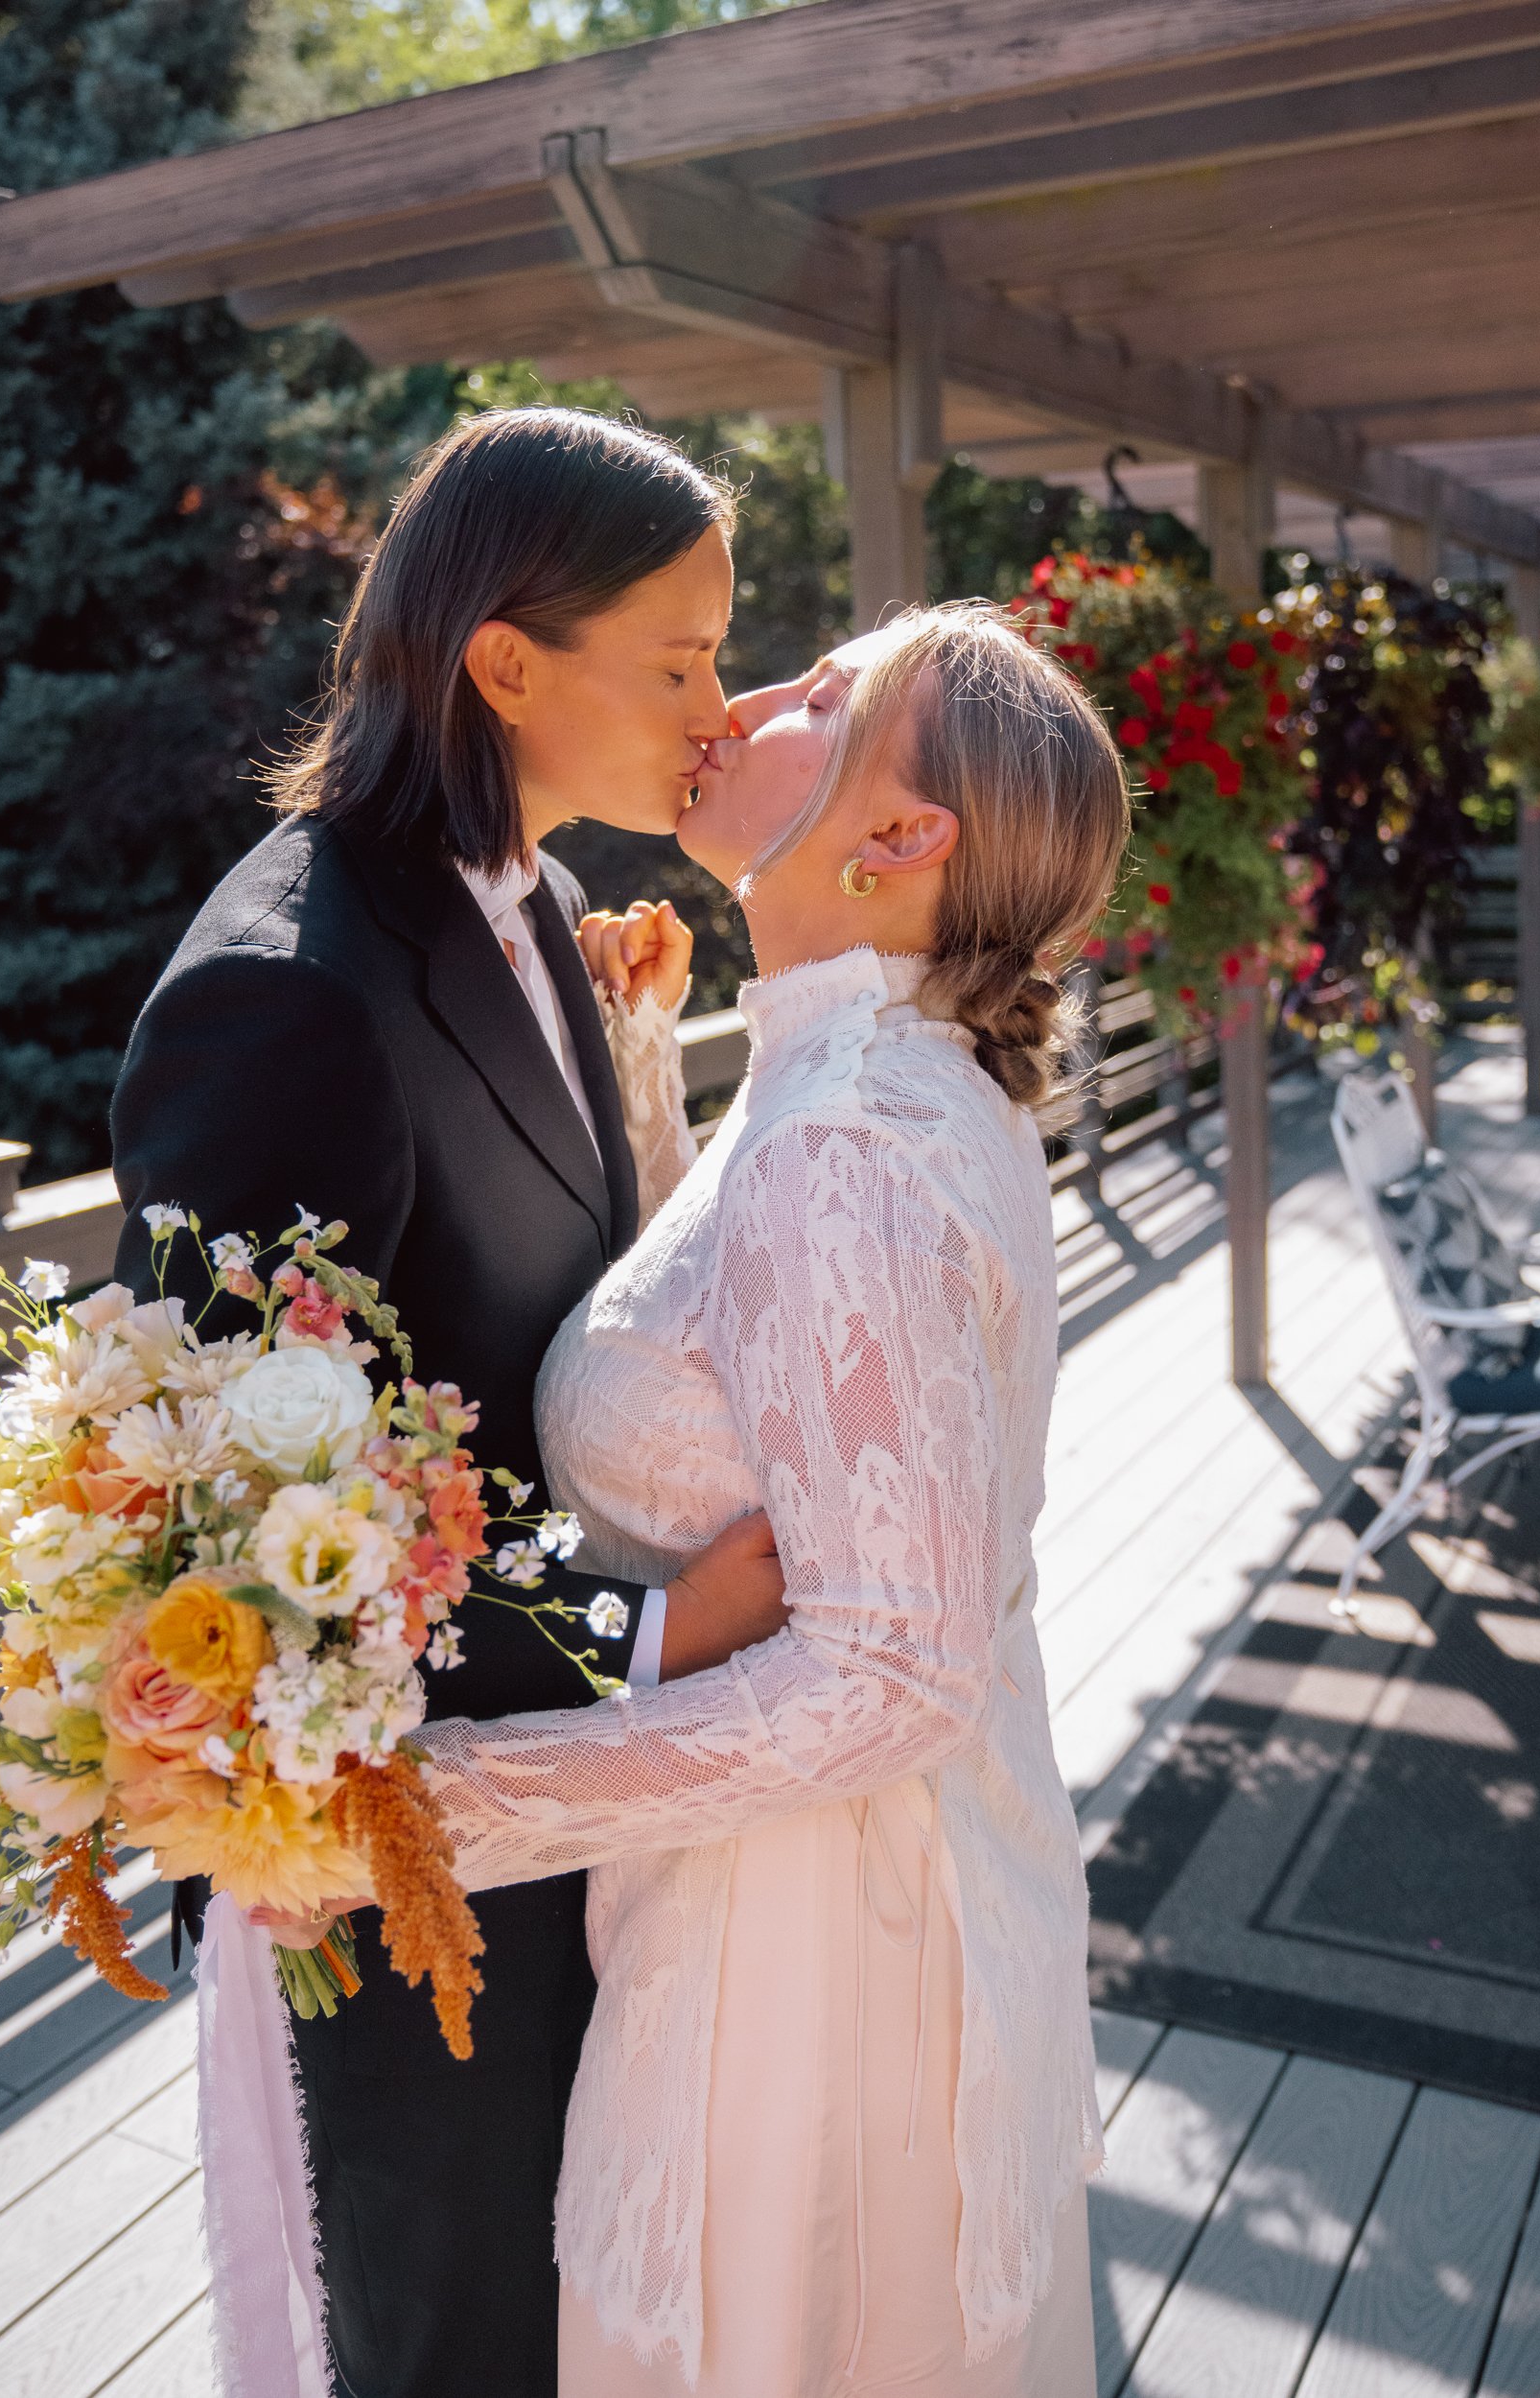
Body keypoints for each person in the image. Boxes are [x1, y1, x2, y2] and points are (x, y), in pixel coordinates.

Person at [107, 408, 790, 2398]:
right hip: (406, 1858)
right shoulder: (287, 996)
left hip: (577, 1817)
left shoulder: (527, 913)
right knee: (456, 2340)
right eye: (678, 658)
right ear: (505, 659)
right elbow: (242, 1565)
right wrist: (659, 1624)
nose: (718, 705)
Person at [398, 602, 1134, 2395]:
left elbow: (891, 1672)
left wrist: (436, 1810)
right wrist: (646, 1067)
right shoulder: (844, 1074)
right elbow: (750, 1376)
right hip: (830, 1879)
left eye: (822, 695)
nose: (748, 695)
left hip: (820, 1953)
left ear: (902, 841)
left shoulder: (848, 1142)